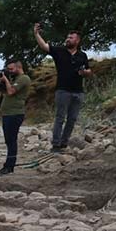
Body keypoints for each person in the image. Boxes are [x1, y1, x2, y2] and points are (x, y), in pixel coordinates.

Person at [35, 23, 93, 152]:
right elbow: (44, 46)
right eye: (67, 37)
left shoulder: (82, 55)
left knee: (72, 119)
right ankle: (56, 145)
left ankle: (64, 143)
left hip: (78, 92)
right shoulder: (59, 51)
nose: (68, 39)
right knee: (60, 118)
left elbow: (89, 71)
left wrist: (84, 72)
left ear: (77, 41)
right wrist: (36, 34)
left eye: (71, 38)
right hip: (63, 91)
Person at [0, 58, 32, 176]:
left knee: (11, 140)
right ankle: (8, 165)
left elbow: (11, 91)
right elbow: (6, 91)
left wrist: (5, 80)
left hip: (15, 113)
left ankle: (9, 166)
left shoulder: (23, 78)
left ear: (18, 67)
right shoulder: (15, 79)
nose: (9, 71)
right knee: (8, 140)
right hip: (8, 113)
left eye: (11, 69)